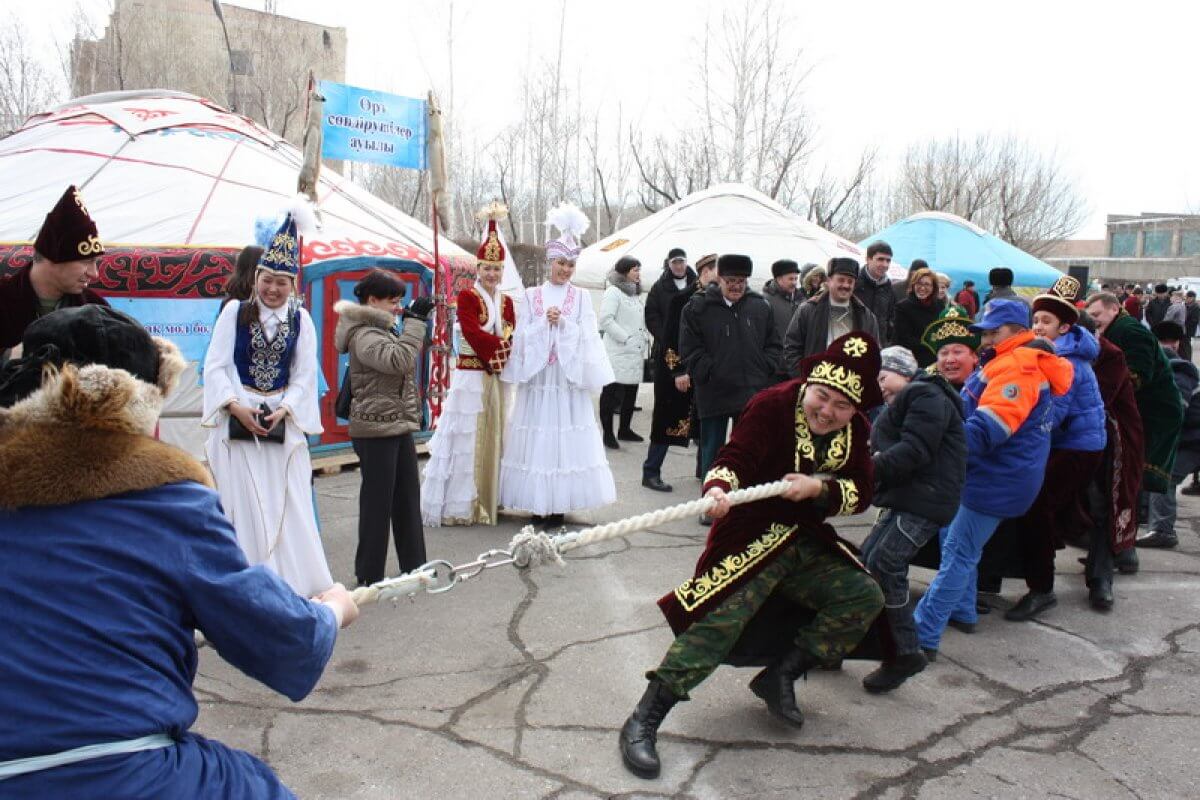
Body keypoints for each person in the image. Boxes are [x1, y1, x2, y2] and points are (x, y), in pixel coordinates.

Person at [0, 304, 359, 797]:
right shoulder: (169, 501)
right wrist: (330, 612)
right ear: (139, 406)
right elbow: (278, 636)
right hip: (125, 771)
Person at [618, 333, 886, 780]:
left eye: (842, 406)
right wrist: (718, 488)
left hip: (803, 536)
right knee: (720, 620)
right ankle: (644, 718)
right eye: (823, 396)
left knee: (864, 596)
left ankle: (780, 673)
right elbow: (733, 458)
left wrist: (820, 488)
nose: (827, 411)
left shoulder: (857, 427)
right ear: (809, 383)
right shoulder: (773, 403)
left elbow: (862, 491)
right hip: (751, 531)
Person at [912, 299, 1072, 659]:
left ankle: (922, 636)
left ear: (1018, 331)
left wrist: (935, 448)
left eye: (993, 331)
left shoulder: (1019, 369)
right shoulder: (1008, 359)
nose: (985, 338)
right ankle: (963, 611)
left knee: (958, 552)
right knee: (954, 540)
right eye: (983, 331)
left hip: (997, 477)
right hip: (993, 473)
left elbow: (989, 429)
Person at [201, 213, 333, 597]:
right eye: (267, 280)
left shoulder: (302, 321)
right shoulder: (234, 313)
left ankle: (288, 580)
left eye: (281, 282)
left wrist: (285, 409)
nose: (273, 289)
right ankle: (241, 581)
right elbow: (217, 365)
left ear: (292, 285)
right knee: (240, 501)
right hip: (238, 418)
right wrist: (236, 406)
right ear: (256, 278)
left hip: (280, 422)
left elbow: (305, 376)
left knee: (285, 501)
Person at [500, 203, 615, 531]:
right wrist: (542, 327)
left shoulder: (579, 298)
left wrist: (563, 325)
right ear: (550, 263)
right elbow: (521, 336)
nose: (565, 269)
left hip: (566, 380)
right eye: (561, 263)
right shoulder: (533, 295)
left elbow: (589, 336)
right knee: (539, 438)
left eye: (570, 264)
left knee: (564, 440)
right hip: (540, 379)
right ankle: (538, 503)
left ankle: (559, 504)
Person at [859, 345, 965, 693]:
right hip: (909, 497)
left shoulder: (924, 395)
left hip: (925, 500)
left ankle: (904, 651)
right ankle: (848, 640)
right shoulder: (913, 397)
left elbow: (916, 450)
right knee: (866, 563)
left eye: (883, 377)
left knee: (886, 565)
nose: (880, 386)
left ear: (904, 373)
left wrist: (866, 471)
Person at [1000, 277, 1107, 621]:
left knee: (1038, 507)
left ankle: (1042, 589)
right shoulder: (1051, 351)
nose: (1038, 327)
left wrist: (1008, 428)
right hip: (1064, 441)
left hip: (1079, 445)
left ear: (1064, 326)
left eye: (1046, 321)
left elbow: (1053, 411)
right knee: (1050, 506)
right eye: (1035, 321)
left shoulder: (1069, 362)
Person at [333, 271, 432, 585]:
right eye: (393, 300)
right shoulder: (363, 333)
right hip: (374, 429)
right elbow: (400, 360)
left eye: (400, 301)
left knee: (406, 499)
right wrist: (415, 321)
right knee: (377, 505)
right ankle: (369, 574)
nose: (398, 306)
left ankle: (414, 567)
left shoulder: (382, 329)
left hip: (395, 423)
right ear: (372, 300)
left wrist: (415, 321)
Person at [421, 215, 516, 526]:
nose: (491, 273)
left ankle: (490, 498)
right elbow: (472, 333)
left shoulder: (507, 302)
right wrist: (500, 350)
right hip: (473, 376)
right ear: (478, 268)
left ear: (502, 271)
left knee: (494, 432)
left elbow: (512, 332)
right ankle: (462, 503)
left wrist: (504, 349)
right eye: (486, 268)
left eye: (496, 269)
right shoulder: (466, 296)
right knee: (466, 437)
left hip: (496, 376)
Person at [680, 254, 780, 504]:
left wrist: (765, 369)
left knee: (745, 449)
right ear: (719, 279)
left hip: (750, 390)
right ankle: (710, 502)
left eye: (741, 281)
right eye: (731, 280)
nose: (736, 286)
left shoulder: (760, 306)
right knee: (712, 450)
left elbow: (774, 344)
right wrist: (709, 371)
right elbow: (689, 348)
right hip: (714, 390)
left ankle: (740, 502)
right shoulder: (698, 307)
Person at [1084, 293, 1184, 497]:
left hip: (1156, 409)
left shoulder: (1129, 329)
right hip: (1145, 406)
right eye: (1090, 315)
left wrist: (1105, 392)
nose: (1093, 319)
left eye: (1097, 313)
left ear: (1114, 309)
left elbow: (1138, 373)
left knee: (1137, 466)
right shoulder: (1114, 329)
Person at [0, 185, 109, 350]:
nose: (94, 274)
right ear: (53, 256)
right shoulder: (4, 301)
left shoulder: (98, 310)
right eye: (86, 261)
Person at [644, 254, 714, 492]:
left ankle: (703, 469)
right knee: (667, 419)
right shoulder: (681, 300)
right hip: (674, 369)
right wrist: (678, 371)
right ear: (705, 272)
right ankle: (651, 471)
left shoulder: (718, 300)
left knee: (705, 421)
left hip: (703, 371)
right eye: (717, 271)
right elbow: (669, 339)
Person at [1139, 321, 1200, 549]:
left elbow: (1176, 411)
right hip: (1188, 438)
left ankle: (1163, 530)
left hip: (1193, 441)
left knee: (1165, 475)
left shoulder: (1178, 371)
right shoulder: (1170, 367)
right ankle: (1146, 515)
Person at [784, 257, 880, 370]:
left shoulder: (866, 316)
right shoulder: (808, 310)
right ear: (829, 281)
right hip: (813, 383)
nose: (846, 285)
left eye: (850, 281)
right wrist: (804, 376)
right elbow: (791, 348)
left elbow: (875, 354)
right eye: (841, 280)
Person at [599, 256, 649, 448]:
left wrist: (643, 336)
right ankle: (608, 433)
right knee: (610, 393)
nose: (638, 273)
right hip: (618, 351)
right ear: (624, 272)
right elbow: (606, 319)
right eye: (634, 269)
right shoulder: (613, 292)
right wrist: (625, 337)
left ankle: (625, 429)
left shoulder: (635, 293)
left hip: (634, 351)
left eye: (639, 269)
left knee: (631, 392)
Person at [893, 268, 943, 369]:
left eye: (927, 284)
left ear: (933, 287)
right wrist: (930, 344)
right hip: (910, 360)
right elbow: (903, 338)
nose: (922, 288)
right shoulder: (903, 307)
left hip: (934, 360)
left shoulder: (939, 306)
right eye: (919, 283)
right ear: (913, 285)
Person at [763, 259, 803, 380]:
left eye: (796, 279)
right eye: (791, 279)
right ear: (779, 279)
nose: (795, 282)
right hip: (776, 370)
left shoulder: (802, 300)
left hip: (798, 368)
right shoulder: (765, 302)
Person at [855, 241, 897, 345]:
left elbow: (891, 320)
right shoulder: (854, 283)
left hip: (879, 347)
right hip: (853, 345)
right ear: (868, 259)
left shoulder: (889, 288)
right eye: (880, 259)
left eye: (888, 260)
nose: (885, 264)